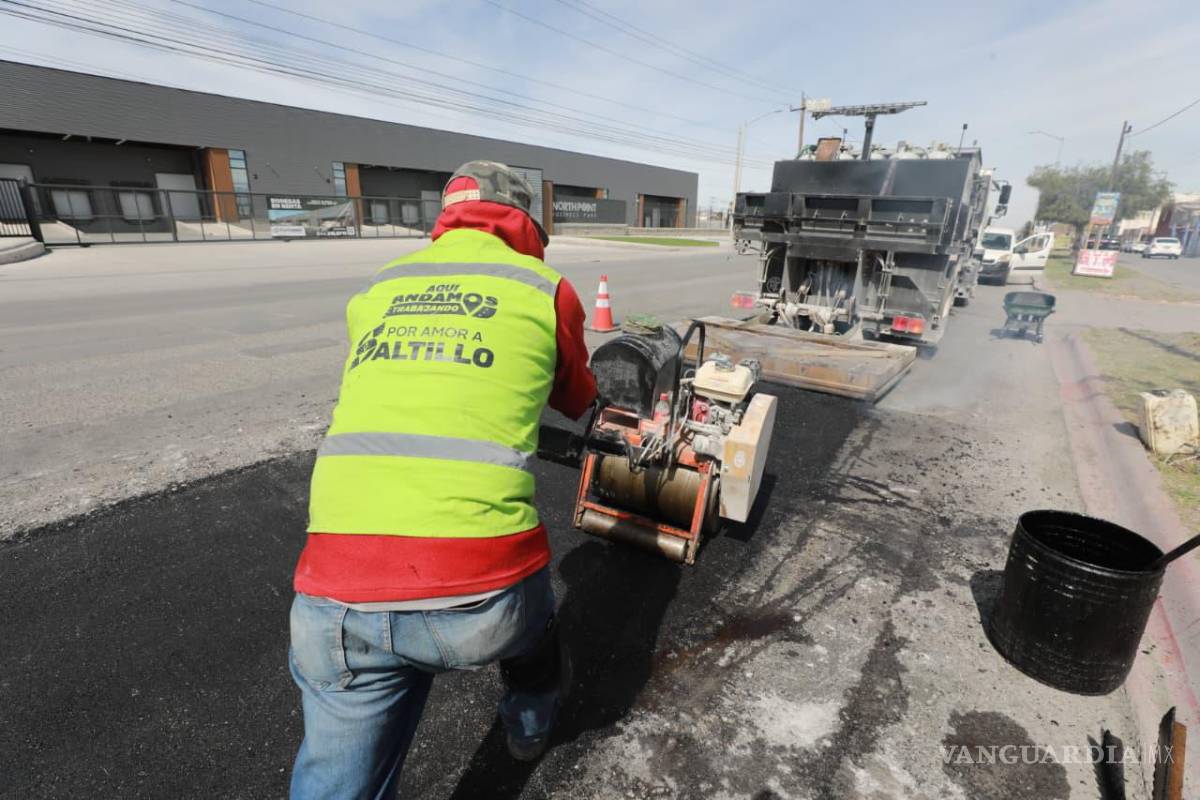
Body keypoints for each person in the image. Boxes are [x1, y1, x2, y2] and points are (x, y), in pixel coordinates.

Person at [288, 160, 598, 799]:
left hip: (333, 594)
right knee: (535, 619)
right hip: (478, 601)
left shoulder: (383, 283)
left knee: (339, 781)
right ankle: (530, 723)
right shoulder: (546, 288)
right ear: (528, 223)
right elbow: (575, 398)